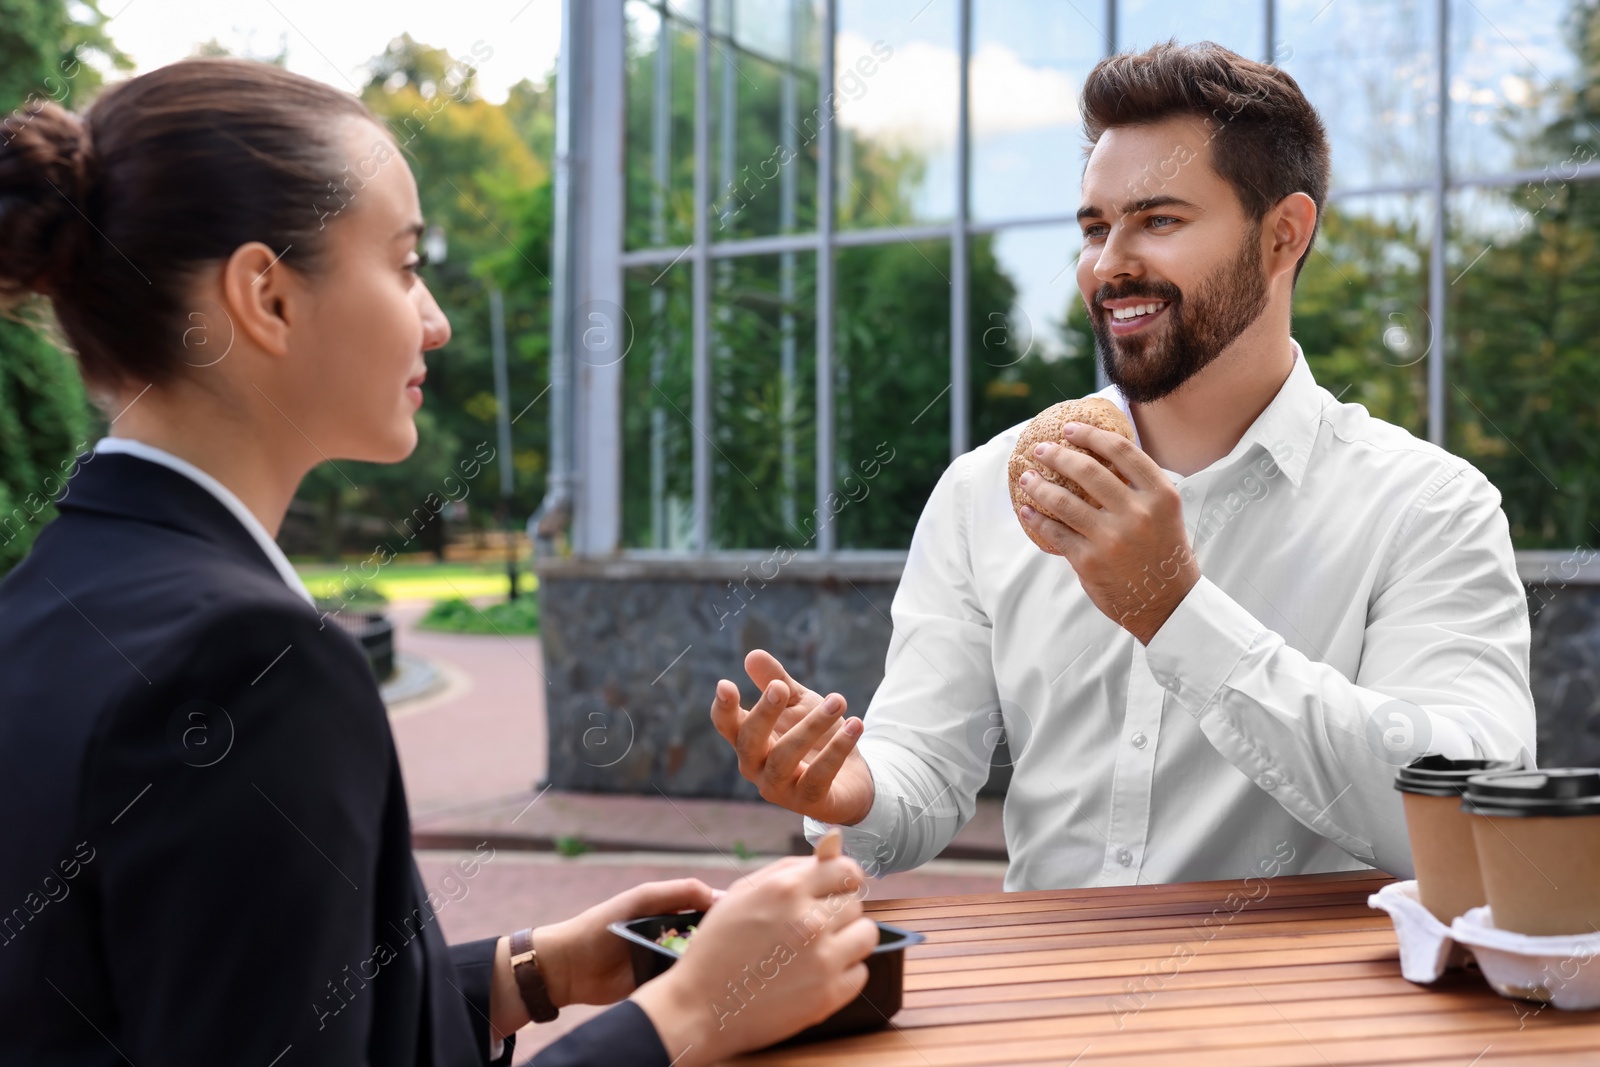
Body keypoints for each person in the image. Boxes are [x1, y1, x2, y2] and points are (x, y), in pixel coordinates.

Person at [0, 59, 879, 1066]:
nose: (436, 320)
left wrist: (534, 970)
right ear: (266, 297)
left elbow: (249, 1019)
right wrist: (689, 1015)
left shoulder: (48, 599)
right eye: (405, 262)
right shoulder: (244, 659)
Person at [711, 41, 1537, 891]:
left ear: (1283, 235)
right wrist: (855, 788)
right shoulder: (984, 493)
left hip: (1304, 1016)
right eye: (1097, 228)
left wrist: (1178, 613)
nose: (1109, 264)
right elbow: (922, 769)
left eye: (1159, 220)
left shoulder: (1429, 506)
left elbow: (1470, 815)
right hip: (1048, 1006)